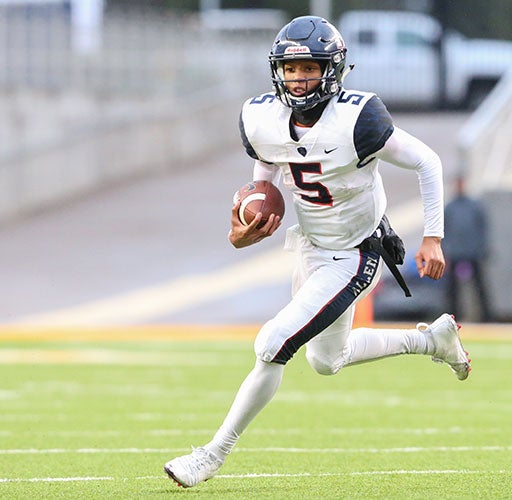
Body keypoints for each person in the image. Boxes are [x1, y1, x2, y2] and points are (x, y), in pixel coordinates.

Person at [163, 16, 471, 489]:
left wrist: (432, 236)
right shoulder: (261, 117)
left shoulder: (360, 117)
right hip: (309, 246)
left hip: (354, 253)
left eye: (309, 67)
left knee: (271, 344)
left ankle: (211, 454)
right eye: (290, 69)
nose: (298, 78)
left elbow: (428, 161)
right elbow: (263, 179)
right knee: (327, 360)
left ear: (334, 69)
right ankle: (433, 341)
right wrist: (243, 227)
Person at [442, 176, 493, 322]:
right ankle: (452, 317)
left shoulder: (475, 206)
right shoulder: (450, 207)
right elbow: (445, 230)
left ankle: (486, 317)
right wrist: (446, 252)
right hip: (455, 253)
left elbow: (482, 228)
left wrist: (482, 248)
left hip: (473, 252)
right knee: (452, 290)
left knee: (480, 287)